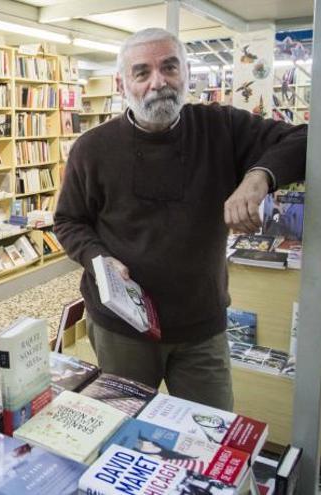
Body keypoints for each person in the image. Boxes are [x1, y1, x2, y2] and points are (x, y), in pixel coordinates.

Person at [53, 28, 307, 411]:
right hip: (122, 327)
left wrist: (259, 177)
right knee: (126, 434)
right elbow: (69, 221)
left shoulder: (222, 128)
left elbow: (305, 139)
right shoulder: (92, 148)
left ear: (187, 73)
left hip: (200, 326)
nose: (159, 82)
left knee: (211, 438)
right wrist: (97, 258)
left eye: (169, 67)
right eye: (142, 73)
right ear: (123, 83)